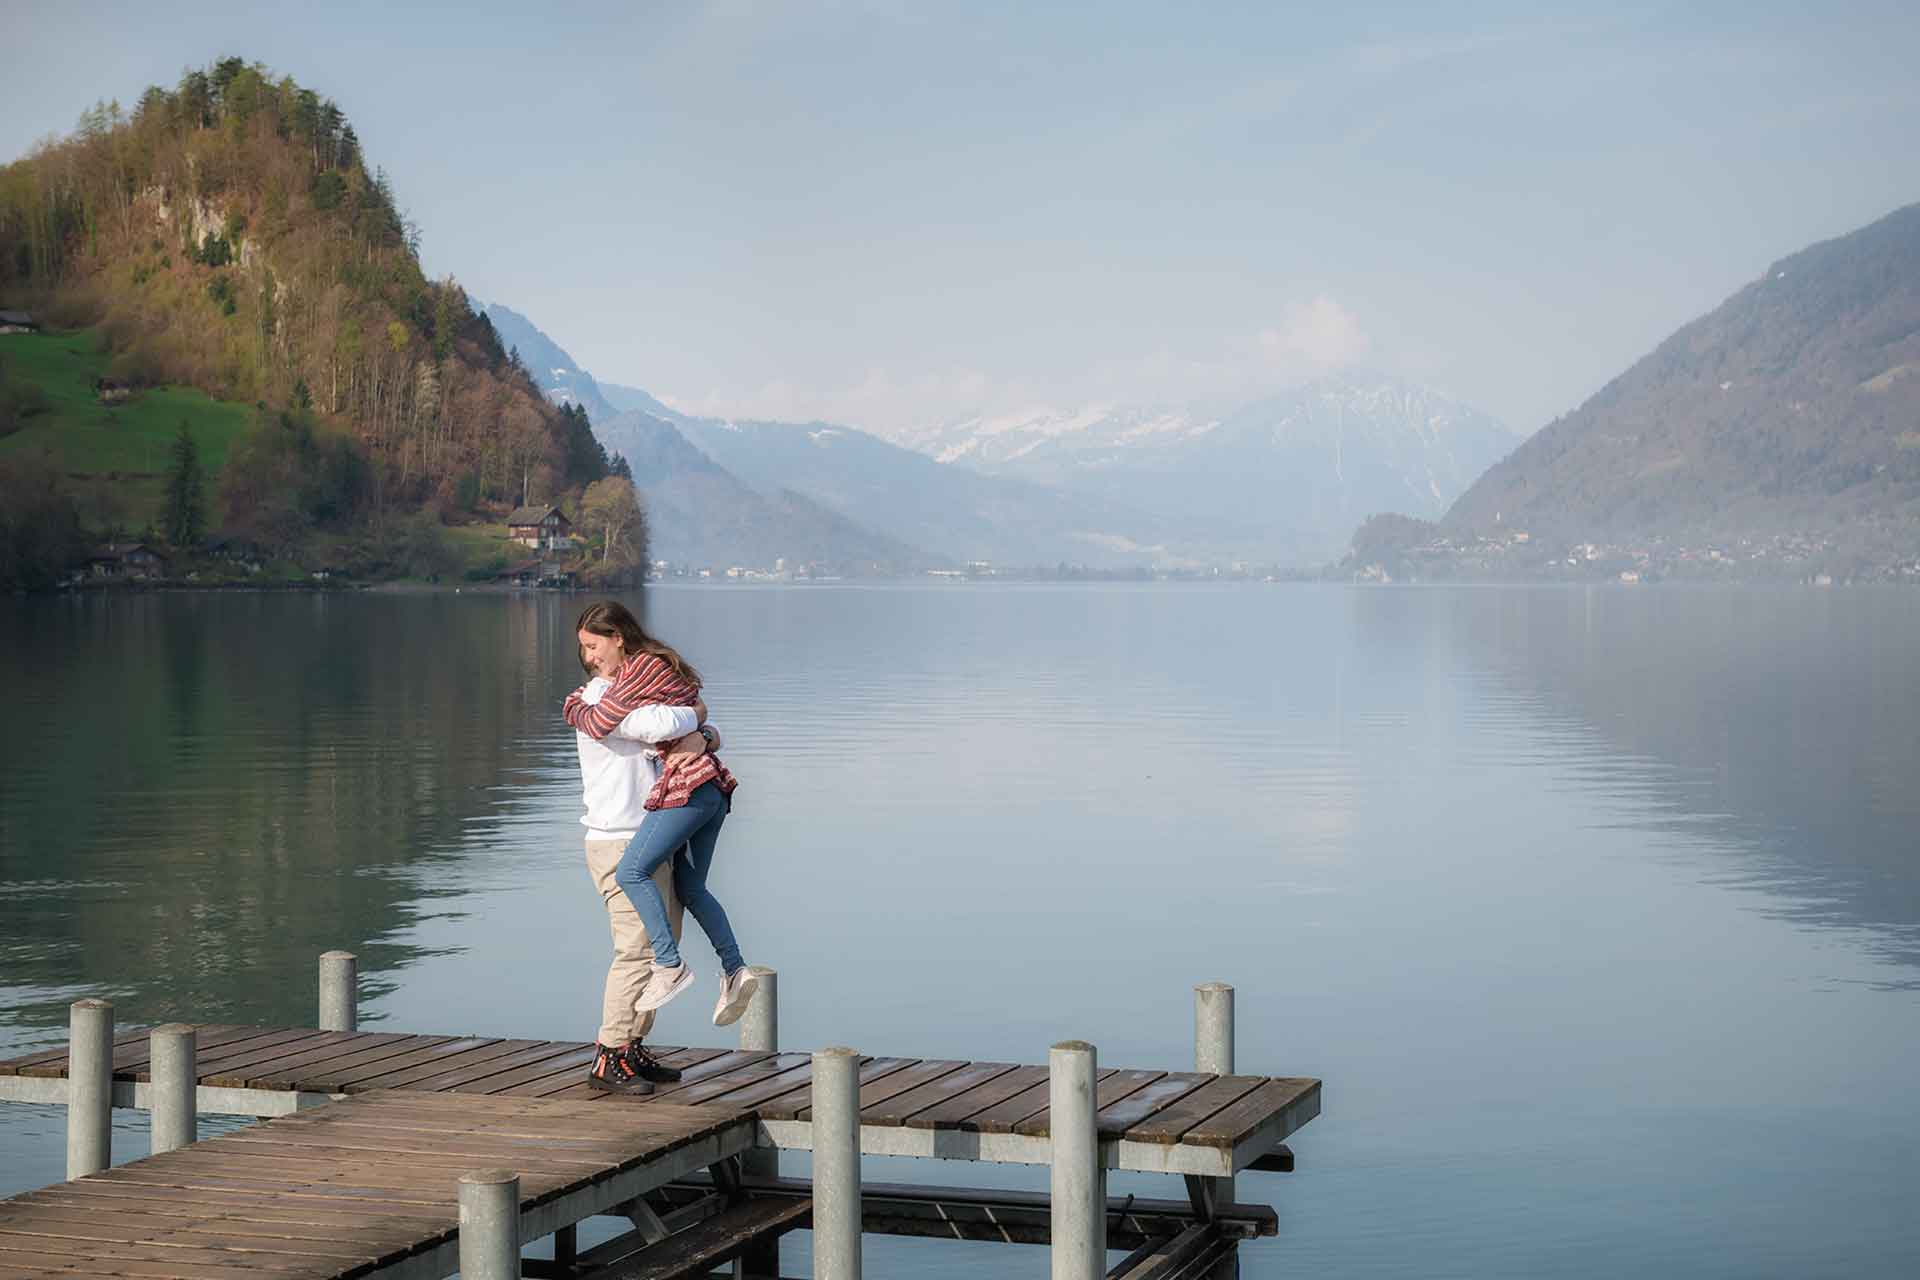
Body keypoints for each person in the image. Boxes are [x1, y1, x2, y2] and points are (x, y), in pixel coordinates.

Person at [564, 601, 758, 1042]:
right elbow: (655, 724)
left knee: (655, 947)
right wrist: (699, 721)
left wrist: (702, 731)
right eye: (584, 650)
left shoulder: (633, 686)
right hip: (619, 837)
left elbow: (673, 718)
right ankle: (612, 1052)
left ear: (619, 638)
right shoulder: (598, 698)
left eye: (594, 646)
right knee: (638, 954)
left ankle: (632, 1048)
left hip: (657, 825)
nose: (588, 657)